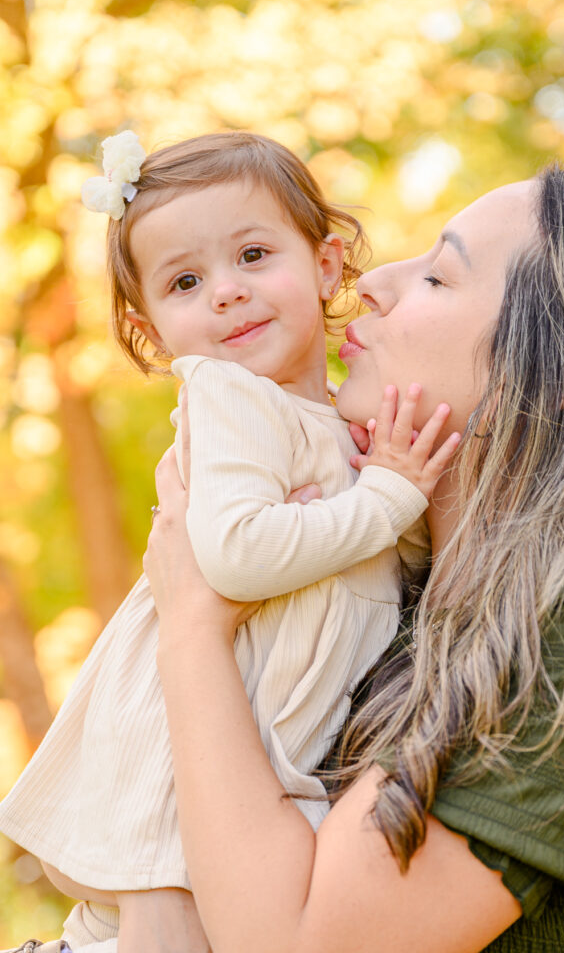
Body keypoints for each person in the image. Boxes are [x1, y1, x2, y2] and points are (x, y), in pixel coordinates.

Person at [141, 166, 564, 953]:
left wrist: (191, 628)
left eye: (437, 274)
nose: (374, 284)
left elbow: (295, 947)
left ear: (554, 371)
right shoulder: (396, 592)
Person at [0, 131, 460, 953]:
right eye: (186, 281)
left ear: (325, 266)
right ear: (153, 330)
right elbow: (238, 553)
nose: (226, 293)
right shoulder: (231, 399)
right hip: (181, 759)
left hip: (253, 752)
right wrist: (393, 495)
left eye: (252, 254)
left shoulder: (328, 425)